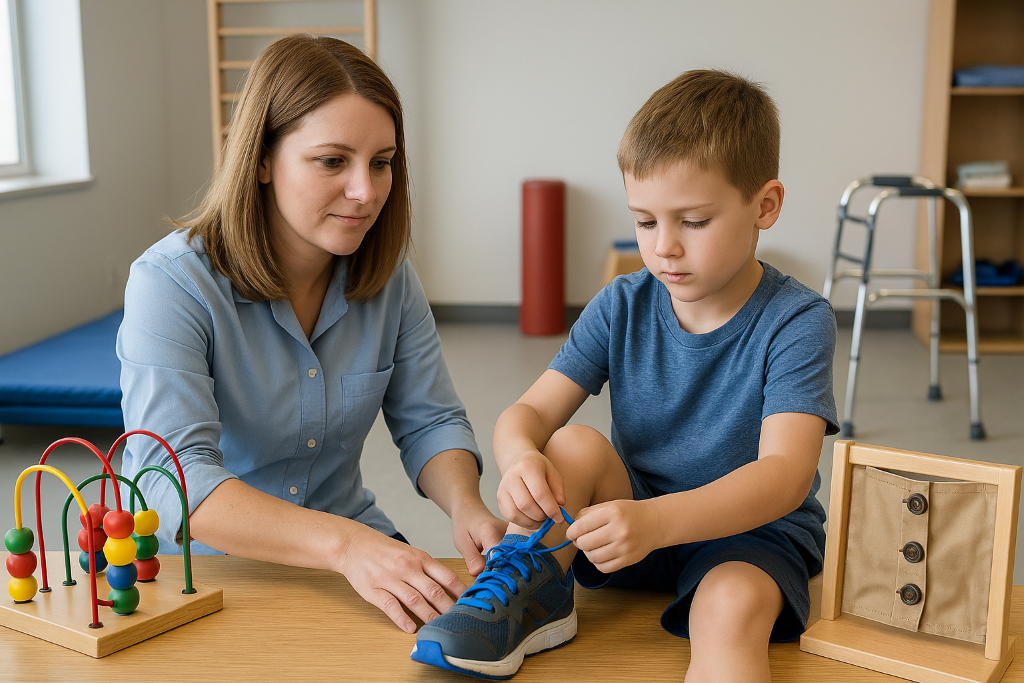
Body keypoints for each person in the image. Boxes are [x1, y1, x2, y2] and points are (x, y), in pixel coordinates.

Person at [412, 70, 838, 681]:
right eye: (645, 221)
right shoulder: (622, 303)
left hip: (750, 534)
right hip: (628, 526)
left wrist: (660, 522)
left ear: (764, 206)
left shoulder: (797, 319)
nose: (664, 247)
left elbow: (784, 477)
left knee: (730, 608)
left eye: (693, 222)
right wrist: (519, 458)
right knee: (570, 445)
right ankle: (531, 595)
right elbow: (526, 415)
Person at [117, 34, 505, 634]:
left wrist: (466, 506)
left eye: (381, 162)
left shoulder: (389, 280)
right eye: (333, 161)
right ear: (263, 159)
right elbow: (174, 480)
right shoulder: (171, 284)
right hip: (207, 571)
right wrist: (345, 547)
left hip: (352, 549)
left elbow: (430, 421)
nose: (367, 191)